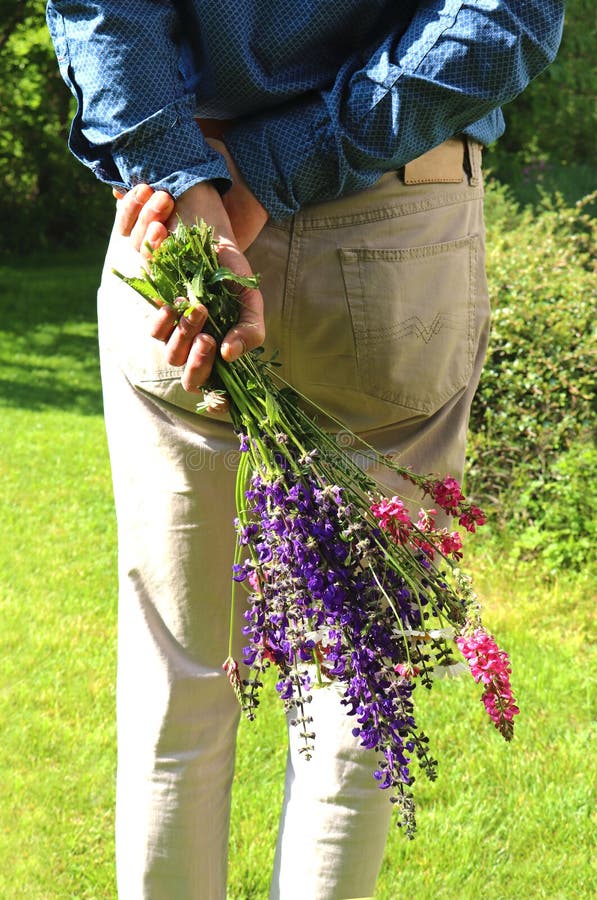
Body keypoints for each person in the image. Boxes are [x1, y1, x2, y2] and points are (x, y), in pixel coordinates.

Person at [46, 3, 564, 898]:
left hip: (177, 224)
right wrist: (279, 164)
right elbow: (503, 19)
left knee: (179, 677)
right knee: (353, 685)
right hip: (391, 223)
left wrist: (194, 177)